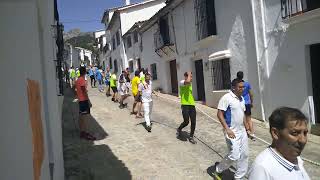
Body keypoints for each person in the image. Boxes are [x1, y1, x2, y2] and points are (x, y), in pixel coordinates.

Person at [248, 107, 310, 180]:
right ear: (275, 133)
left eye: (305, 133)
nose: (303, 140)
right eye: (295, 133)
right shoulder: (262, 169)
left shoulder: (296, 159)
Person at [214, 78, 248, 180]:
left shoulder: (242, 99)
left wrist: (247, 129)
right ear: (234, 87)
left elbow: (243, 115)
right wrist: (227, 129)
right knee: (234, 155)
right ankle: (218, 170)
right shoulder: (226, 98)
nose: (242, 89)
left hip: (242, 131)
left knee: (244, 155)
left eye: (243, 87)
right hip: (231, 131)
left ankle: (238, 177)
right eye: (240, 87)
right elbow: (219, 114)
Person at [75, 66, 96, 141]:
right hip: (84, 100)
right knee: (86, 117)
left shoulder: (77, 80)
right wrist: (89, 101)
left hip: (80, 100)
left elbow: (76, 89)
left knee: (81, 116)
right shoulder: (82, 80)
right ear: (84, 72)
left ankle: (82, 132)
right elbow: (84, 91)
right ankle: (86, 133)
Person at [176, 72, 197, 144]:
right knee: (186, 121)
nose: (191, 78)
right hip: (185, 104)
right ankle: (179, 129)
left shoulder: (190, 84)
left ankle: (191, 136)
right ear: (185, 77)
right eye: (190, 76)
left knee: (193, 121)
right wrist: (188, 73)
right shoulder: (182, 82)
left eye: (191, 77)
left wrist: (189, 75)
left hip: (192, 104)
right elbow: (187, 81)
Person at [236, 71, 255, 139]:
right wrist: (251, 102)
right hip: (247, 103)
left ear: (237, 76)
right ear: (243, 76)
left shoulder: (237, 85)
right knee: (249, 119)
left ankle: (247, 132)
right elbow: (251, 94)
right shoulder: (247, 84)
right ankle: (252, 133)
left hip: (241, 102)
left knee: (243, 118)